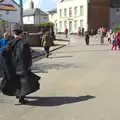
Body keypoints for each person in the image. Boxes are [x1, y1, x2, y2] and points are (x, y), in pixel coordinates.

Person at [0, 29, 40, 104]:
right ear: (21, 35)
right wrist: (28, 64)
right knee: (23, 82)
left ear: (15, 35)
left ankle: (18, 94)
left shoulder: (10, 43)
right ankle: (21, 98)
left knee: (16, 80)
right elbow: (26, 56)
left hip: (13, 67)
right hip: (22, 66)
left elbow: (3, 53)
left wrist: (8, 65)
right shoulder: (24, 43)